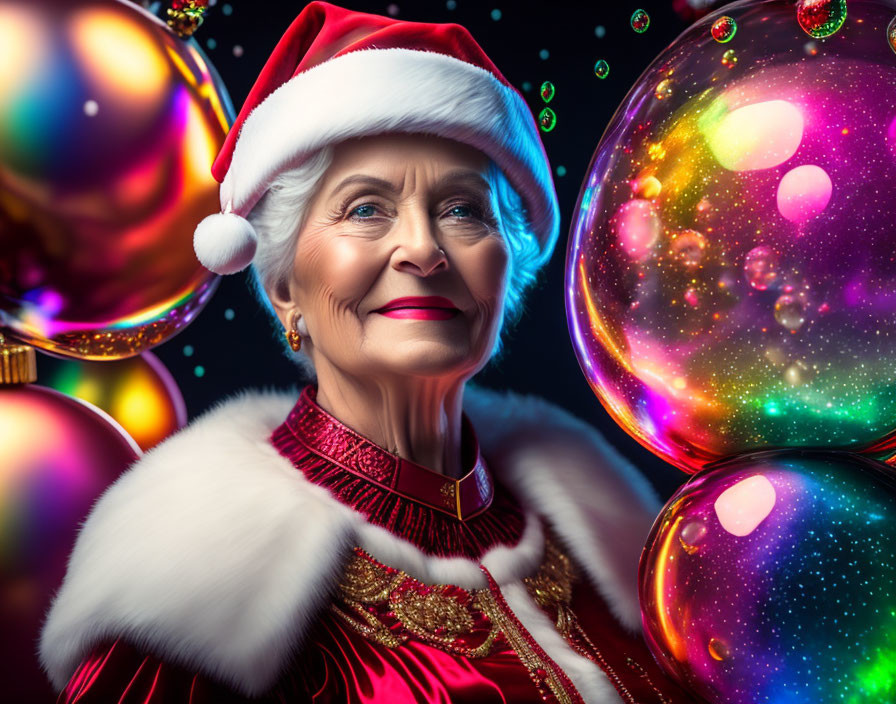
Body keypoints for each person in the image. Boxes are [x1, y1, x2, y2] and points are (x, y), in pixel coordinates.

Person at [39, 4, 695, 702]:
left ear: (508, 267)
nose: (422, 248)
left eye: (463, 210)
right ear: (284, 284)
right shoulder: (191, 598)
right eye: (365, 209)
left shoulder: (616, 555)